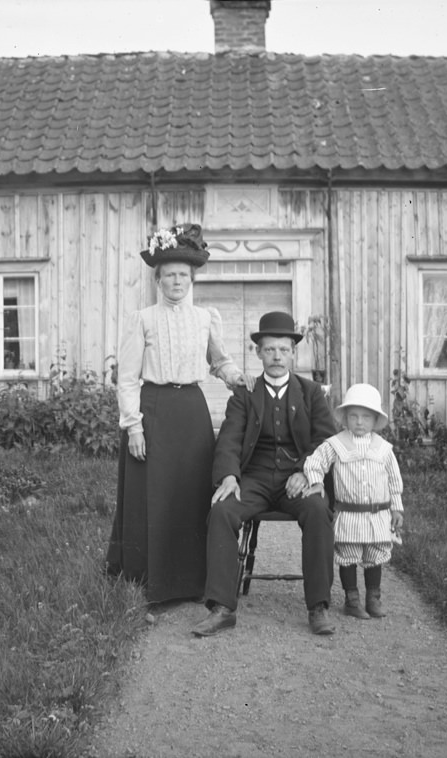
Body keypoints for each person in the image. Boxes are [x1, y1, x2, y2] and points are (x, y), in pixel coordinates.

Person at [106, 223, 250, 604]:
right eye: (169, 274)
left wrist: (237, 377)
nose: (176, 281)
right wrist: (133, 426)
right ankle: (148, 580)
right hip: (153, 410)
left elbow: (220, 361)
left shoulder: (205, 318)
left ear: (192, 278)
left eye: (183, 275)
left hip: (191, 411)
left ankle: (190, 581)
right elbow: (127, 378)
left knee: (190, 493)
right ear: (158, 278)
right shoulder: (143, 319)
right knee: (152, 495)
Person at [192, 311, 338, 637]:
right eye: (269, 349)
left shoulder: (311, 392)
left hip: (296, 479)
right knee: (222, 510)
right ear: (258, 352)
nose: (276, 356)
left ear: (292, 353)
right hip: (254, 479)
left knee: (317, 510)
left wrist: (306, 471)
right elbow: (229, 439)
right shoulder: (245, 393)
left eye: (283, 350)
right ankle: (223, 607)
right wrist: (229, 476)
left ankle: (318, 606)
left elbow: (325, 440)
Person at [302, 383, 404, 619]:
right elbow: (314, 462)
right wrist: (316, 482)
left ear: (375, 419)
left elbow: (393, 480)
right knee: (348, 554)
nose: (359, 422)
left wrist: (397, 508)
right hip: (349, 514)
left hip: (377, 515)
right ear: (345, 418)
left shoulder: (383, 449)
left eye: (366, 417)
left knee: (373, 555)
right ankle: (352, 599)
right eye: (353, 416)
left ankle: (373, 598)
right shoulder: (336, 444)